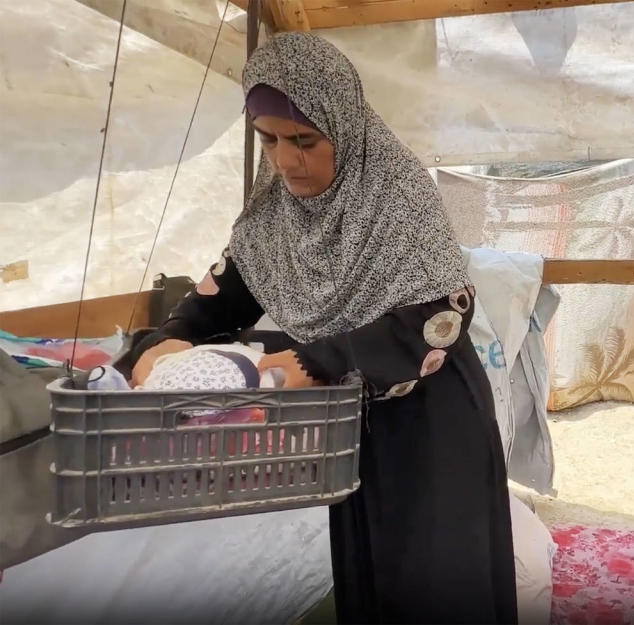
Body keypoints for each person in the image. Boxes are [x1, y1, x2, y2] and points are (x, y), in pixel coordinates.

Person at [130, 33, 518, 624]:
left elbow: (438, 316)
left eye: (304, 140)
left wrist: (320, 361)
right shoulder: (274, 216)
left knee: (437, 581)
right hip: (350, 427)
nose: (286, 161)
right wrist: (167, 340)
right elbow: (222, 292)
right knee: (367, 580)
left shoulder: (397, 193)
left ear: (344, 127)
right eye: (269, 140)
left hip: (433, 420)